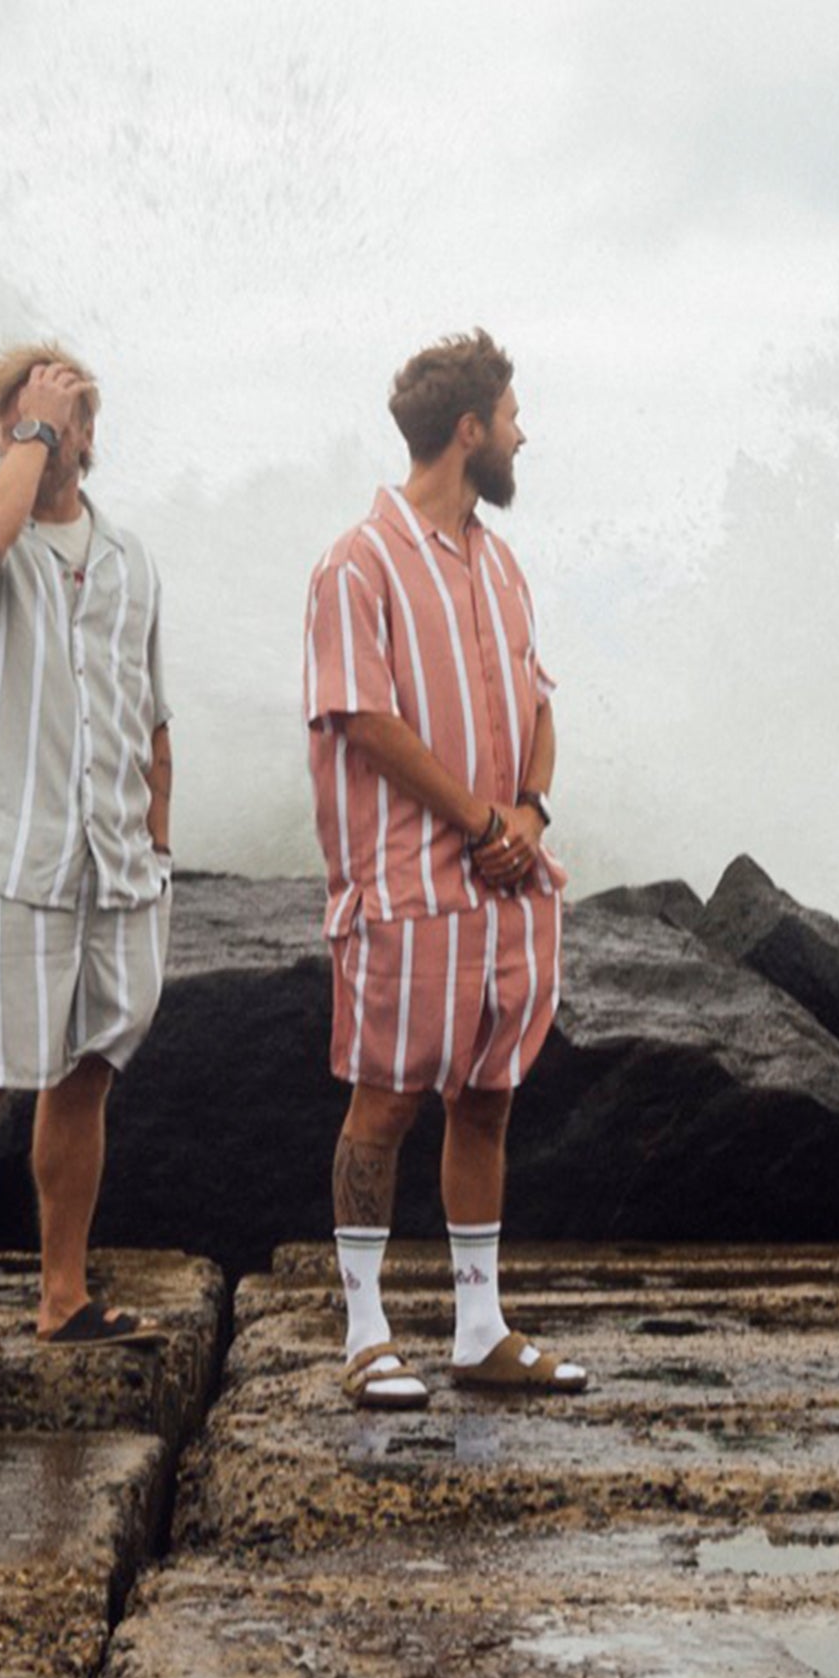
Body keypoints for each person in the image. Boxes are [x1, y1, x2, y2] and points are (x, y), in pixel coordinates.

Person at [303, 328, 586, 1407]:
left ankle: (479, 1328)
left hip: (507, 891)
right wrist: (478, 818)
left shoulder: (501, 563)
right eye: (512, 417)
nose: (523, 434)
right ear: (470, 431)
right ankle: (367, 1331)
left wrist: (529, 809)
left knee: (487, 1102)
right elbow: (363, 719)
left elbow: (538, 705)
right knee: (383, 1105)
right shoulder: (357, 562)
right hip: (409, 890)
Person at [0, 342, 173, 1357]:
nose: (61, 430)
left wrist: (158, 844)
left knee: (85, 1075)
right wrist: (30, 432)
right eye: (34, 414)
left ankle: (63, 1297)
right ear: (3, 430)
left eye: (72, 414)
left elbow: (153, 716)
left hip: (113, 867)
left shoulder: (131, 558)